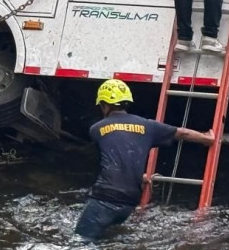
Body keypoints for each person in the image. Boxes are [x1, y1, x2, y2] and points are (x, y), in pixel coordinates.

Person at [75, 79, 214, 241]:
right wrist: (207, 138)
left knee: (81, 243)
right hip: (129, 203)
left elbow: (105, 162)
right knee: (108, 240)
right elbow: (182, 133)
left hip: (104, 199)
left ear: (104, 105)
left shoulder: (97, 129)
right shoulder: (147, 126)